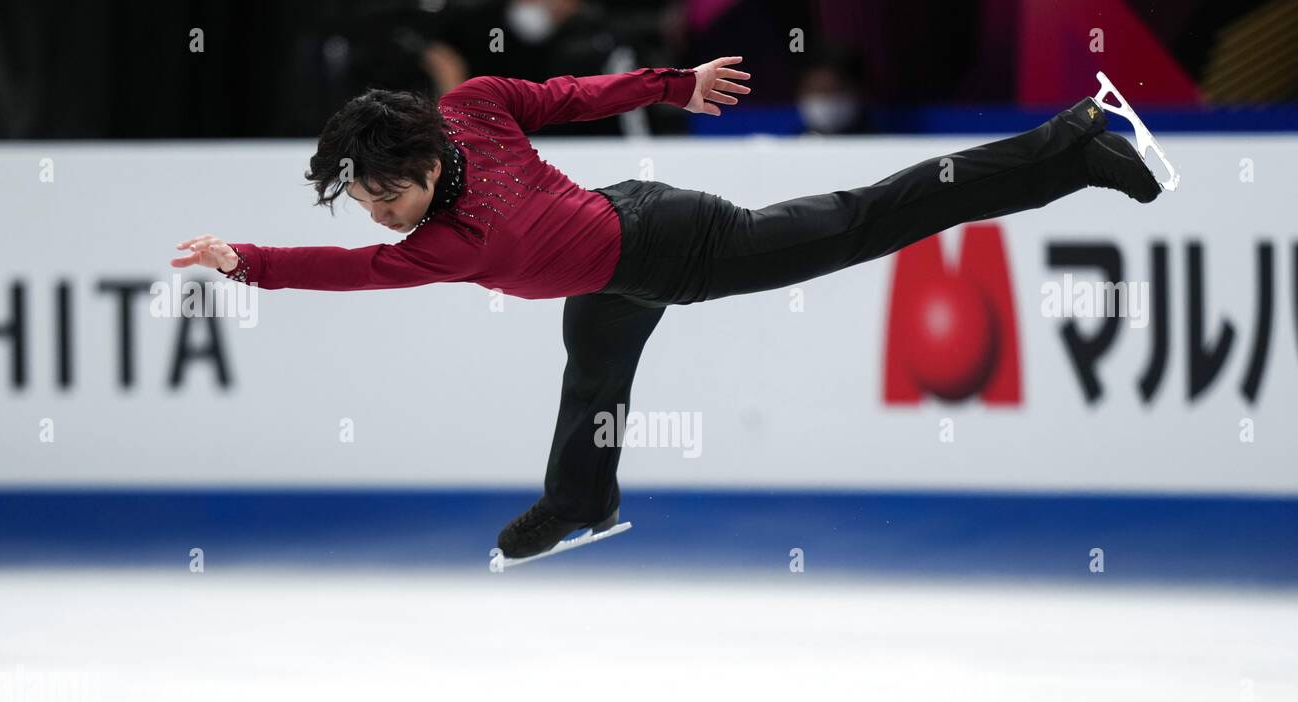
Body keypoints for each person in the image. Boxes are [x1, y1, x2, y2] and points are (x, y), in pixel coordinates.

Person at [171, 56, 1162, 561]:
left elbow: (567, 92)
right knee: (593, 366)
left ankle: (1074, 143)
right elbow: (340, 268)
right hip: (612, 250)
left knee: (863, 220)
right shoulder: (428, 232)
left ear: (425, 163)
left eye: (384, 198)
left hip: (680, 242)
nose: (379, 221)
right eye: (364, 206)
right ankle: (581, 501)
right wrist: (245, 259)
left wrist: (673, 84)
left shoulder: (470, 115)